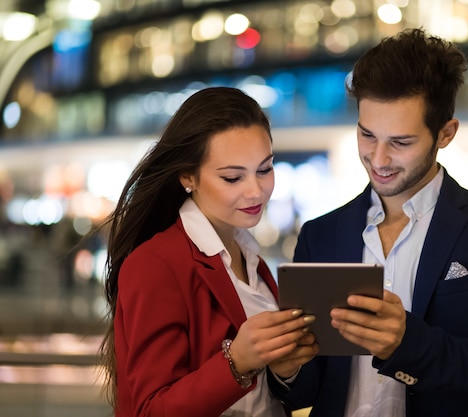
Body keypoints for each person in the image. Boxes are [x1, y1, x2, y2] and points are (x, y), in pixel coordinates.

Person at [267, 28, 468, 417]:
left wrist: (407, 344)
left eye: (400, 142)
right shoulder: (321, 233)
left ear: (445, 133)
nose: (378, 159)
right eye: (366, 135)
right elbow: (310, 385)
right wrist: (288, 368)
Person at [98, 87, 318, 417]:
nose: (256, 190)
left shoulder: (251, 259)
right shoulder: (155, 264)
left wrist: (286, 370)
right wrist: (236, 362)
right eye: (232, 177)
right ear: (188, 176)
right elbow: (150, 410)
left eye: (265, 169)